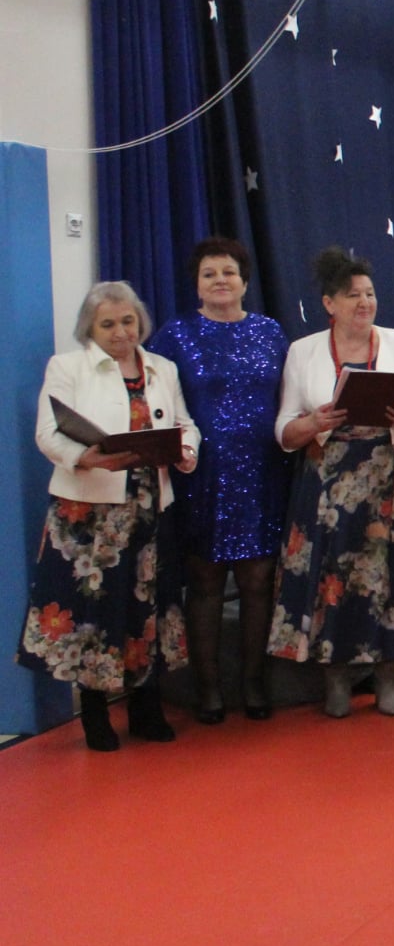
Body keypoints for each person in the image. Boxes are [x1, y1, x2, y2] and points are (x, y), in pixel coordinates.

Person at [21, 283, 200, 750]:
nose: (120, 332)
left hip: (148, 507)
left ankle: (145, 708)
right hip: (87, 511)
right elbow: (48, 434)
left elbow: (185, 424)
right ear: (90, 328)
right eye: (108, 324)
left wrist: (186, 450)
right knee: (92, 610)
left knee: (147, 605)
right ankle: (95, 714)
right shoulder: (67, 367)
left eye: (127, 321)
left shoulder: (162, 368)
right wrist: (89, 458)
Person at [269, 247, 394, 718]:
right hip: (327, 482)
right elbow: (284, 430)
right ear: (329, 303)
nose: (364, 302)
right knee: (330, 578)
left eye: (370, 293)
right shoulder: (303, 351)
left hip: (387, 477)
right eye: (353, 295)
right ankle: (335, 677)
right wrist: (313, 422)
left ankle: (388, 675)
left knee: (391, 576)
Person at [147, 237, 289, 722]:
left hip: (264, 473)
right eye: (209, 273)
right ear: (197, 284)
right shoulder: (175, 335)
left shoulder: (270, 331)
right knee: (204, 581)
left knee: (258, 581)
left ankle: (254, 683)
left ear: (245, 281)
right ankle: (207, 688)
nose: (220, 280)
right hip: (201, 475)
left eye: (228, 272)